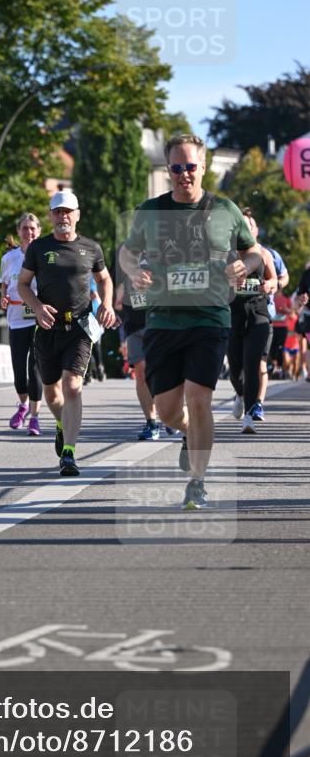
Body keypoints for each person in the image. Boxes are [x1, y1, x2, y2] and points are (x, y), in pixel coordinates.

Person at [119, 134, 262, 510]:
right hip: (164, 321)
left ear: (203, 167)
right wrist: (134, 271)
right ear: (169, 170)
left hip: (210, 318)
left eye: (191, 167)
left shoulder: (226, 210)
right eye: (177, 168)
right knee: (167, 411)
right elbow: (126, 251)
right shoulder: (151, 211)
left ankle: (198, 481)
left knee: (200, 399)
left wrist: (243, 264)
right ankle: (187, 433)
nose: (184, 174)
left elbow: (254, 251)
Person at [18, 190, 117, 477]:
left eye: (68, 212)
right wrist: (36, 307)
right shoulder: (38, 248)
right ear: (50, 216)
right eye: (57, 212)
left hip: (79, 327)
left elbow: (105, 278)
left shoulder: (91, 248)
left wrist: (107, 305)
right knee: (51, 391)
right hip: (48, 328)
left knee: (72, 385)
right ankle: (62, 425)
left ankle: (70, 454)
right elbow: (24, 284)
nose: (63, 217)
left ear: (77, 215)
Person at [227, 209, 277, 433]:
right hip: (233, 314)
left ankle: (249, 414)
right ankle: (239, 393)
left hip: (258, 312)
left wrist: (269, 285)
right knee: (235, 368)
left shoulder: (263, 254)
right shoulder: (226, 254)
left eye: (249, 226)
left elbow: (274, 279)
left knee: (252, 363)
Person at [0, 213, 43, 435]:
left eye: (33, 228)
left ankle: (34, 417)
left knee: (34, 369)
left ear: (39, 231)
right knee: (19, 373)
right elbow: (4, 285)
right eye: (25, 228)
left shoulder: (45, 255)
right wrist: (3, 299)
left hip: (38, 319)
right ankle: (23, 404)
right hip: (16, 319)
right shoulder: (9, 258)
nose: (29, 232)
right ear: (18, 232)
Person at [114, 250, 161, 442]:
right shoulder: (126, 254)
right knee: (140, 373)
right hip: (134, 326)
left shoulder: (164, 249)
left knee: (162, 372)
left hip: (159, 324)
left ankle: (172, 413)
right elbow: (118, 300)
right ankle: (151, 422)